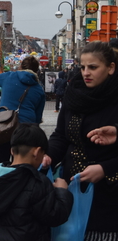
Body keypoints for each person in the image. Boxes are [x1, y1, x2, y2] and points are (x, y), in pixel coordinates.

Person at [43, 41, 118, 239]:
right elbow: (61, 135)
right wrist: (47, 155)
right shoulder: (74, 93)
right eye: (82, 67)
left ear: (111, 68)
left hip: (109, 195)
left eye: (93, 67)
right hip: (71, 188)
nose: (86, 72)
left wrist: (105, 169)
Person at [0, 123, 73, 241]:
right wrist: (62, 191)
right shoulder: (36, 182)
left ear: (12, 151)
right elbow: (55, 216)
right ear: (37, 152)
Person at [0, 55, 46, 164]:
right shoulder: (39, 89)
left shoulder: (9, 76)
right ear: (36, 71)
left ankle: (1, 177)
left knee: (0, 162)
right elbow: (37, 118)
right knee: (21, 164)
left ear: (21, 66)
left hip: (4, 125)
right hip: (26, 129)